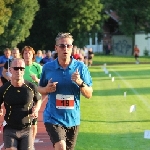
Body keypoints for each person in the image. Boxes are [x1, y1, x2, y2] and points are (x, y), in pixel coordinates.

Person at [37, 32, 93, 150]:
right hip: (53, 117)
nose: (65, 48)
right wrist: (47, 89)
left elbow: (89, 94)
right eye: (62, 46)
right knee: (61, 147)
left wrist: (80, 83)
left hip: (73, 119)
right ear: (56, 48)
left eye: (68, 45)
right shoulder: (48, 68)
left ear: (72, 47)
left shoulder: (81, 67)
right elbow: (40, 89)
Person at [0, 58, 42, 150]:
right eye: (16, 68)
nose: (19, 71)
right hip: (10, 128)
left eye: (21, 69)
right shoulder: (4, 89)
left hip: (27, 129)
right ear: (10, 70)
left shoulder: (31, 87)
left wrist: (36, 109)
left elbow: (38, 100)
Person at [21, 46, 42, 149]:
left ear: (33, 55)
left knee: (33, 122)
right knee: (22, 121)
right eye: (25, 53)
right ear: (22, 55)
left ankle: (31, 144)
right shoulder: (20, 67)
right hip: (21, 97)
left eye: (29, 53)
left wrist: (37, 79)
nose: (27, 55)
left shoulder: (37, 67)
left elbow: (44, 83)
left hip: (35, 98)